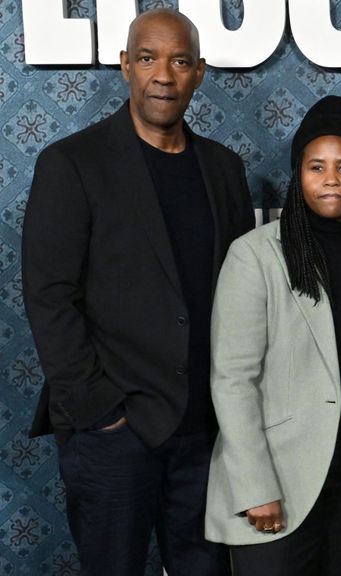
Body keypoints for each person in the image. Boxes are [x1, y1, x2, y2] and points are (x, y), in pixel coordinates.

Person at [21, 8, 254, 576]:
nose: (164, 75)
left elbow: (244, 291)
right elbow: (49, 295)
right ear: (126, 66)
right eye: (148, 58)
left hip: (205, 432)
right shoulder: (73, 163)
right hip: (114, 432)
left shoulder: (223, 168)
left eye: (179, 61)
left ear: (199, 71)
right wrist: (100, 411)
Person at [204, 96, 341, 575]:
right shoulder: (255, 256)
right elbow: (233, 379)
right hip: (281, 480)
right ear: (298, 178)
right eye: (316, 167)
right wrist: (255, 487)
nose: (331, 178)